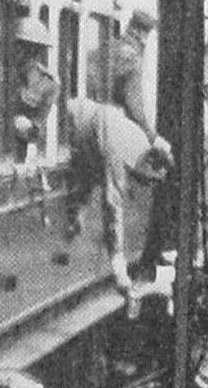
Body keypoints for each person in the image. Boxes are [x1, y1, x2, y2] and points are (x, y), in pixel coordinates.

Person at [62, 97, 169, 291]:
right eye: (151, 180)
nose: (148, 186)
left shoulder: (138, 145)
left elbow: (94, 166)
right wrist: (118, 265)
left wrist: (80, 208)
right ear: (148, 164)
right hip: (67, 122)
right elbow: (113, 204)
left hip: (81, 125)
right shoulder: (122, 151)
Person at [89, 9, 170, 164]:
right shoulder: (132, 58)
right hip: (112, 128)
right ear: (141, 34)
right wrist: (152, 136)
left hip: (89, 121)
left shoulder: (106, 47)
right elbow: (134, 107)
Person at [9, 15, 59, 163]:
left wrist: (23, 124)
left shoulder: (47, 85)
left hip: (18, 152)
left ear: (32, 50)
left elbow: (38, 130)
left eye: (19, 47)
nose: (14, 52)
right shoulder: (2, 74)